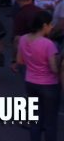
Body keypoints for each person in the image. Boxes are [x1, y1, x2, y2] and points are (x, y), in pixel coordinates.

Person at [15, 11, 60, 141]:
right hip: (49, 85)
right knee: (50, 122)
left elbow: (19, 61)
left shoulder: (23, 39)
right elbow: (53, 67)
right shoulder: (48, 44)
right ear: (44, 25)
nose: (52, 27)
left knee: (36, 119)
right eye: (51, 25)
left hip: (31, 82)